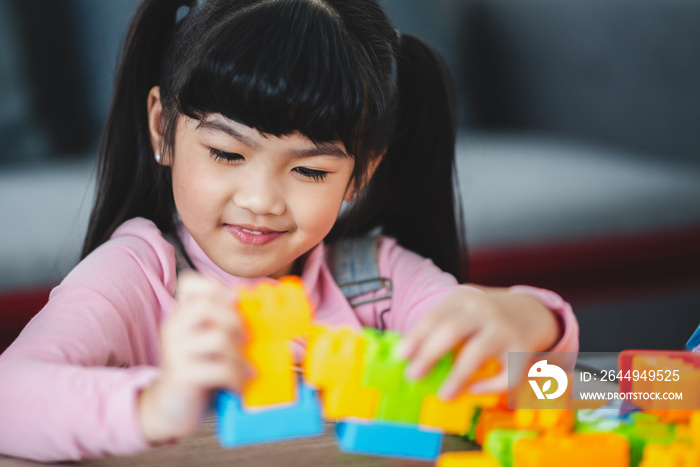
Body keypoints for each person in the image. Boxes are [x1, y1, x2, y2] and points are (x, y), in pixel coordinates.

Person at [0, 0, 578, 461]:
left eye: (309, 170)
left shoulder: (378, 281)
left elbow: (550, 390)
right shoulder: (136, 277)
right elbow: (9, 400)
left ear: (360, 173)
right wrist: (155, 404)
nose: (260, 201)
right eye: (227, 153)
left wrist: (535, 322)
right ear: (162, 129)